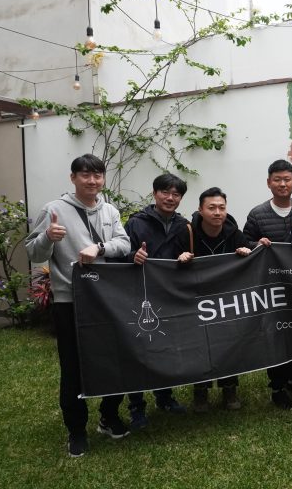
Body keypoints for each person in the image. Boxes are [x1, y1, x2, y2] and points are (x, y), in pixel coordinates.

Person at [25, 154, 131, 458]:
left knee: (115, 360)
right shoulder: (54, 210)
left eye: (97, 175)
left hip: (106, 300)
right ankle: (76, 430)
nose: (92, 181)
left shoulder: (109, 210)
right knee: (73, 367)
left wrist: (100, 247)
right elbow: (33, 253)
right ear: (73, 178)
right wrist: (48, 236)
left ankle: (109, 416)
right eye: (85, 175)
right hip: (70, 301)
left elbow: (124, 244)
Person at [243, 159, 292, 410]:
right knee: (276, 334)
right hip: (271, 286)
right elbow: (244, 242)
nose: (283, 184)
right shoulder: (257, 214)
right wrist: (256, 244)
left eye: (287, 179)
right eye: (277, 179)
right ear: (269, 183)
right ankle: (277, 387)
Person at [122, 173, 192, 429]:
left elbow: (190, 257)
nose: (170, 198)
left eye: (176, 194)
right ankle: (136, 406)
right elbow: (120, 255)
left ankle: (165, 397)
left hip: (169, 296)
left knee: (167, 348)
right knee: (138, 352)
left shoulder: (184, 226)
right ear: (154, 193)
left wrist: (186, 256)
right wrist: (133, 256)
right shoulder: (136, 223)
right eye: (165, 192)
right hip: (140, 296)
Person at [189, 187, 262, 412]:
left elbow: (251, 251)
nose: (217, 212)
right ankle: (200, 392)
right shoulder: (188, 232)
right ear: (201, 210)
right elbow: (173, 260)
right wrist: (181, 257)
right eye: (211, 208)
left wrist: (249, 250)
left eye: (221, 207)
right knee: (199, 346)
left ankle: (229, 389)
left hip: (226, 300)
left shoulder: (234, 233)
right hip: (197, 300)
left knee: (228, 343)